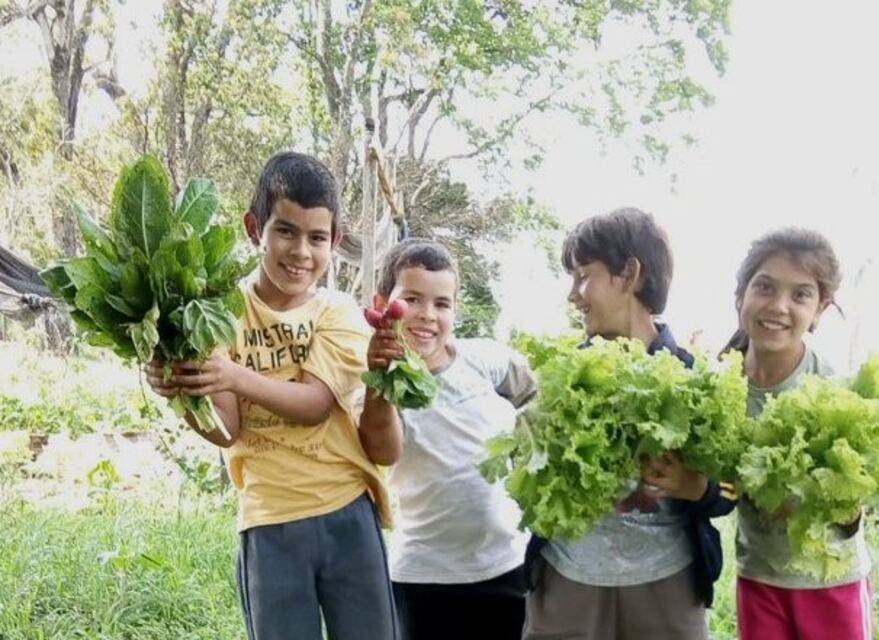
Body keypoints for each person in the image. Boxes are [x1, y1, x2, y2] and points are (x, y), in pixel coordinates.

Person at [145, 151, 399, 640]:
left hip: (345, 511)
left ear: (336, 241)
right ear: (253, 227)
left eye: (317, 237)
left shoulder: (340, 314)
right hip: (268, 520)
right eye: (285, 230)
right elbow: (226, 429)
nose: (301, 251)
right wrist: (180, 393)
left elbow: (314, 405)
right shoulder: (218, 312)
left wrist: (234, 377)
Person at [523, 207, 736, 640]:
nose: (573, 295)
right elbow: (530, 477)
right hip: (568, 581)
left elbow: (731, 488)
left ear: (630, 274)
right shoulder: (562, 377)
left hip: (667, 583)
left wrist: (692, 485)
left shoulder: (691, 376)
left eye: (584, 275)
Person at [361, 238, 536, 640]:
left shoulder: (484, 359)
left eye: (442, 304)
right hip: (424, 578)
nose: (427, 315)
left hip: (508, 566)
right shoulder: (378, 382)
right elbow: (384, 451)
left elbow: (534, 393)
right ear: (383, 302)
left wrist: (529, 447)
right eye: (413, 299)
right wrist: (381, 379)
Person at [724, 227, 873, 640]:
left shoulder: (832, 388)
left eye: (801, 294)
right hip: (759, 576)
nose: (779, 306)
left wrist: (821, 502)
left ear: (820, 309)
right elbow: (717, 481)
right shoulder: (721, 385)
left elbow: (853, 514)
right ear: (741, 295)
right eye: (765, 287)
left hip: (832, 582)